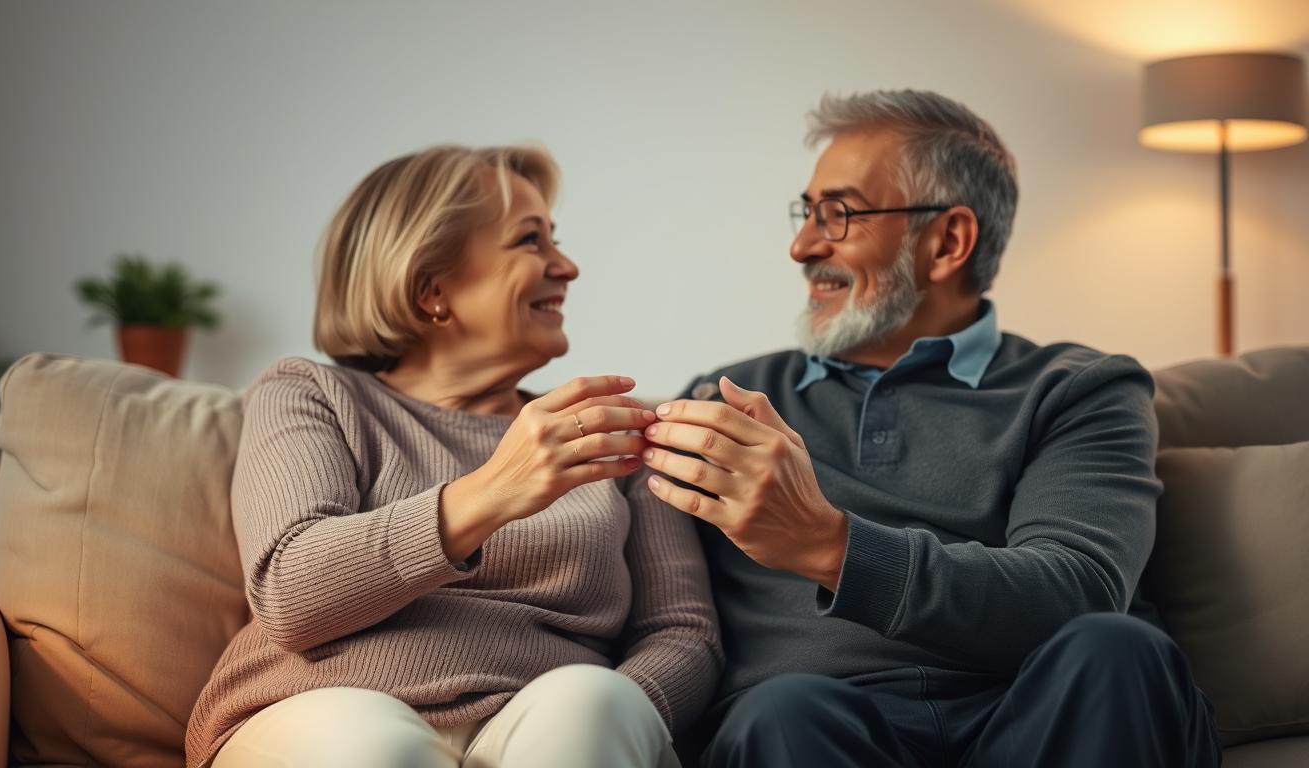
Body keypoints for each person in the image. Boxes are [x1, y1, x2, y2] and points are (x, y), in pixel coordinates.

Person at [640, 91, 1221, 767]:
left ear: (947, 241)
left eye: (840, 214)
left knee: (1117, 651)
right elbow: (624, 585)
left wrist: (829, 544)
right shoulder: (726, 402)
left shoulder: (1078, 388)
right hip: (818, 732)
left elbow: (1075, 593)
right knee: (782, 712)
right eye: (807, 212)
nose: (802, 245)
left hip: (1038, 720)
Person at [185, 145, 721, 768]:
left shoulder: (609, 434)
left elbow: (682, 633)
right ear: (431, 287)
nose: (568, 267)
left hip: (546, 729)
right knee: (371, 745)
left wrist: (627, 713)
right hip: (319, 708)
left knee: (596, 703)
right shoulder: (313, 392)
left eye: (556, 240)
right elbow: (288, 592)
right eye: (530, 241)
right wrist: (494, 490)